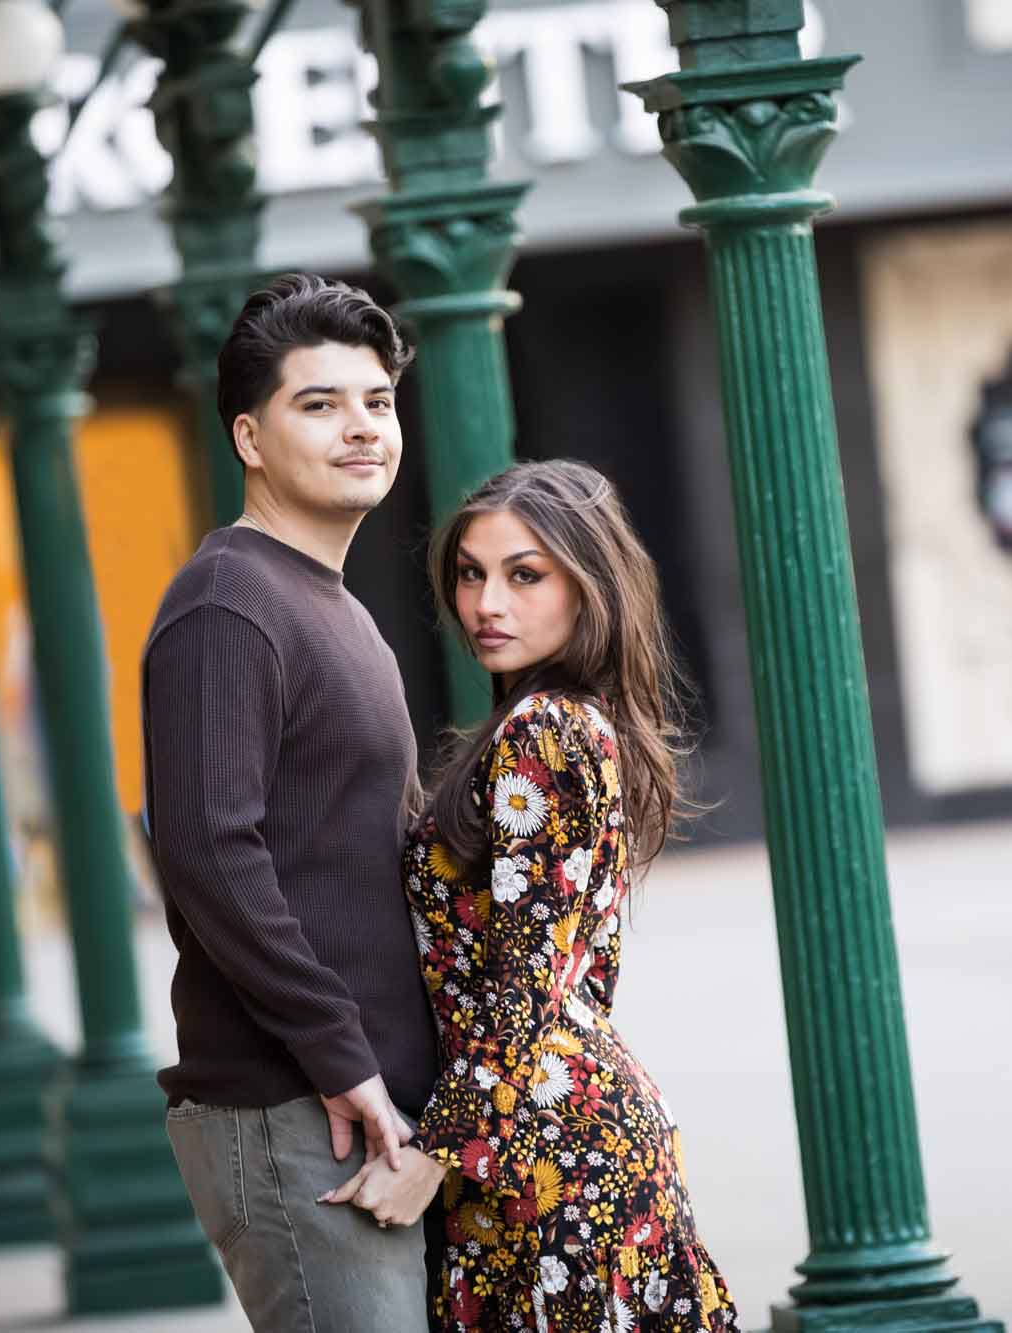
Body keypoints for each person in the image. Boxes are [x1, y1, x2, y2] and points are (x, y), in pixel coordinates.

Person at [324, 460, 742, 1331]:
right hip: (552, 1137)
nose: (488, 603)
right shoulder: (583, 723)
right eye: (472, 573)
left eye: (525, 574)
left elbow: (531, 983)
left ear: (587, 588)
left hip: (547, 1161)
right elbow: (586, 976)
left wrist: (432, 1157)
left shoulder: (545, 732)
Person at [140, 273, 440, 1330]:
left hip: (354, 1100)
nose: (360, 427)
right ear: (249, 438)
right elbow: (208, 851)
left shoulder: (331, 606)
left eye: (375, 401)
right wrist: (340, 1052)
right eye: (318, 405)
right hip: (295, 1105)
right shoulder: (229, 604)